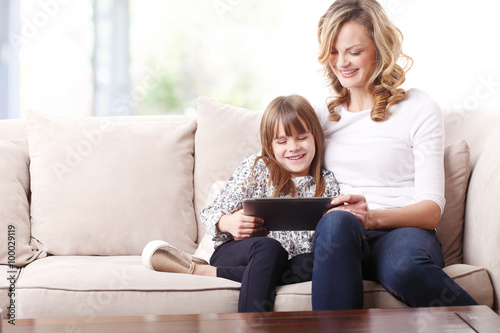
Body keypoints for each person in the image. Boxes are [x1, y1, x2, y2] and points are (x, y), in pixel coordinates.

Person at [311, 0, 478, 310]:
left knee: (404, 266)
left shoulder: (418, 108)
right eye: (333, 51)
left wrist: (371, 218)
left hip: (402, 232)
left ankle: (484, 325)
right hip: (342, 237)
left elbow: (431, 210)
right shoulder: (320, 116)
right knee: (336, 224)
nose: (341, 62)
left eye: (354, 51)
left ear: (381, 49)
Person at [142, 94, 340, 312]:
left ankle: (205, 271)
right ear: (270, 145)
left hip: (287, 262)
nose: (293, 147)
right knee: (270, 248)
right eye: (282, 141)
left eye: (302, 138)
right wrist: (228, 222)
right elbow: (211, 212)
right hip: (239, 254)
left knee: (314, 263)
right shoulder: (257, 167)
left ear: (316, 138)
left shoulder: (327, 183)